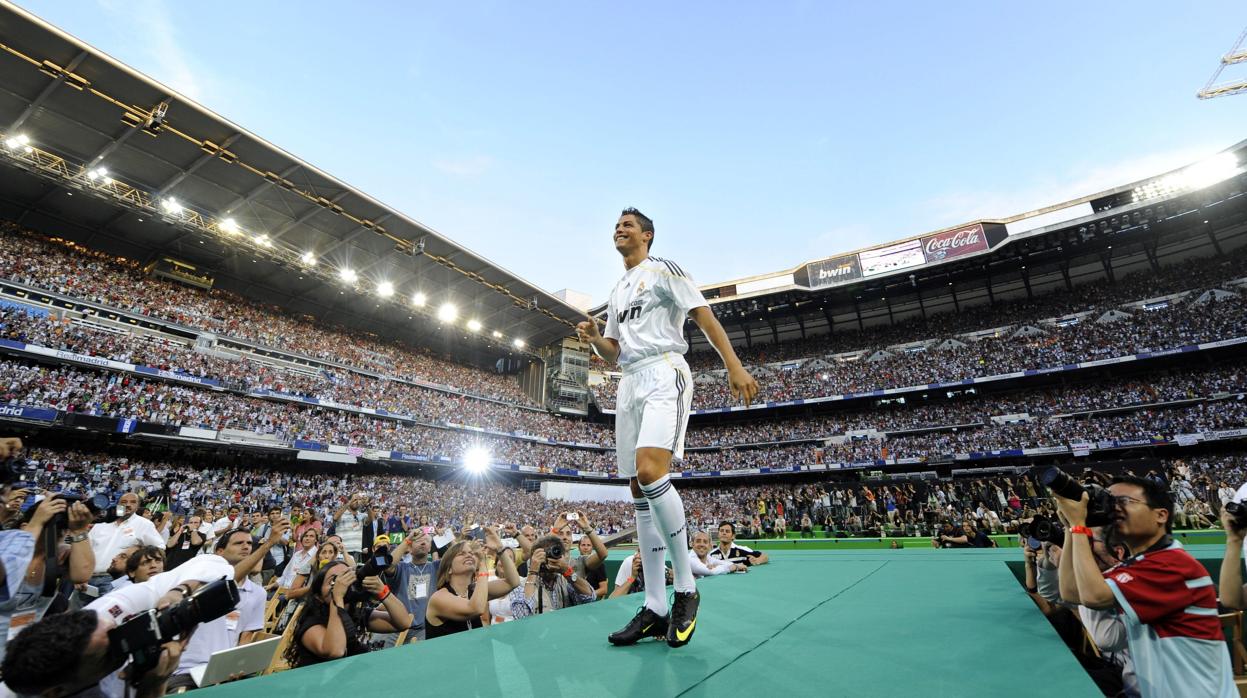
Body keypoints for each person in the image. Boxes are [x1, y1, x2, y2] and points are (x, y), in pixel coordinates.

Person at [577, 207, 758, 648]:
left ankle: (687, 590)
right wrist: (594, 338)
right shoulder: (618, 289)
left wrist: (733, 365)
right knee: (638, 491)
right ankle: (656, 604)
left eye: (628, 225)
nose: (619, 230)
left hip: (663, 372)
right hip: (630, 380)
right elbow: (614, 353)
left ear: (647, 235)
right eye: (616, 225)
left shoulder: (665, 271)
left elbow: (703, 316)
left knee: (651, 471)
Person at [1053, 476, 1234, 698]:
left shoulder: (1171, 565)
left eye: (1124, 501)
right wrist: (1071, 529)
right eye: (1110, 503)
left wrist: (1079, 527)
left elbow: (1093, 597)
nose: (1114, 510)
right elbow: (1071, 592)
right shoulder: (1139, 565)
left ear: (1160, 515)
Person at [1, 552, 234, 697]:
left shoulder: (104, 614)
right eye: (108, 652)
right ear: (56, 692)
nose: (122, 643)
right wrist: (154, 685)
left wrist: (178, 591)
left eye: (114, 632)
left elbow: (213, 562)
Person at [284, 560, 412, 668]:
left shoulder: (355, 613)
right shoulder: (311, 622)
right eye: (334, 581)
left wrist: (382, 591)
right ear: (319, 597)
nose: (342, 583)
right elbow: (336, 651)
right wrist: (337, 597)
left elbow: (404, 623)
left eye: (347, 576)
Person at [425, 538, 519, 640]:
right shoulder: (439, 598)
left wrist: (500, 549)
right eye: (461, 553)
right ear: (449, 569)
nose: (469, 555)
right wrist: (483, 564)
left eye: (471, 553)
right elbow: (476, 608)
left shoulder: (473, 590)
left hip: (476, 653)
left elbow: (513, 582)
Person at [87, 492, 166, 596]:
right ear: (117, 504)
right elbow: (86, 551)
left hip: (117, 581)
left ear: (138, 506)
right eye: (124, 502)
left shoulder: (144, 524)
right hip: (87, 578)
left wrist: (136, 553)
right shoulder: (101, 525)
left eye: (133, 502)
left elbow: (159, 548)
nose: (128, 505)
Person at [510, 535, 595, 619]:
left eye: (554, 552)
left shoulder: (565, 581)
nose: (550, 556)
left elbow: (590, 598)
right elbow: (522, 616)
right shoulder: (521, 585)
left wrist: (567, 570)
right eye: (546, 553)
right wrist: (533, 571)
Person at [384, 527, 439, 643]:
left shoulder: (435, 567)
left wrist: (448, 538)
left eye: (426, 541)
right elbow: (388, 566)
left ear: (430, 548)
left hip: (424, 630)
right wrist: (408, 539)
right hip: (397, 629)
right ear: (409, 548)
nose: (423, 542)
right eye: (418, 540)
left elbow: (456, 557)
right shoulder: (402, 568)